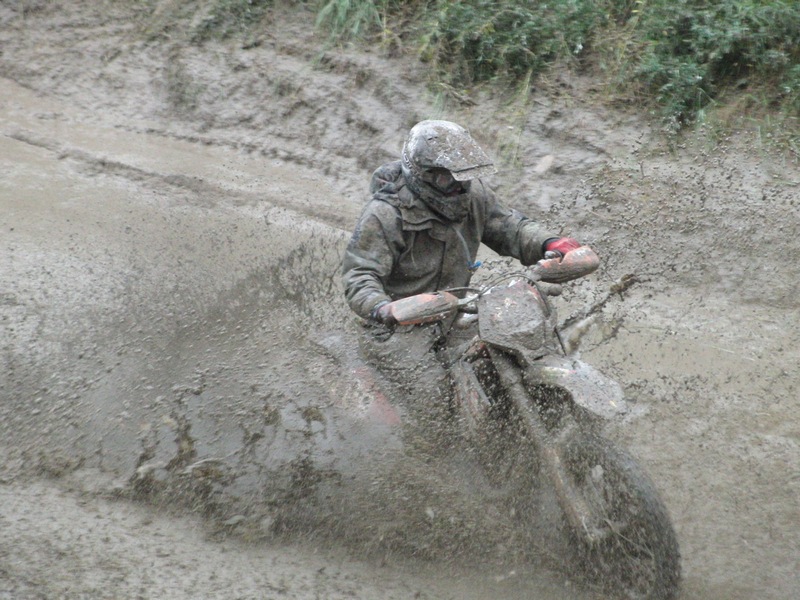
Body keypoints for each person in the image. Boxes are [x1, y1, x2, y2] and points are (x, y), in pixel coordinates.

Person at [341, 120, 580, 424]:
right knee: (435, 398)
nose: (457, 185)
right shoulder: (385, 214)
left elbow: (510, 228)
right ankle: (431, 449)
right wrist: (385, 309)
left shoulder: (473, 196)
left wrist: (550, 243)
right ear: (422, 174)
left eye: (462, 176)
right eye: (447, 178)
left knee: (522, 347)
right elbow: (360, 276)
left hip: (454, 313)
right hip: (398, 331)